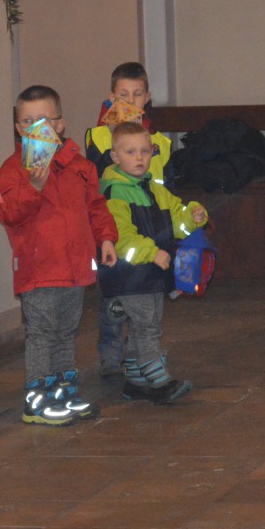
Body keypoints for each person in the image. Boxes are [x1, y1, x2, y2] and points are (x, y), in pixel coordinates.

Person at [0, 85, 118, 426]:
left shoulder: (80, 166)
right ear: (19, 128)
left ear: (60, 125)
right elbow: (9, 214)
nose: (36, 129)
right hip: (39, 268)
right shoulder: (13, 169)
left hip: (74, 266)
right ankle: (37, 399)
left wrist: (106, 238)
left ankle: (64, 391)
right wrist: (34, 187)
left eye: (44, 121)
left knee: (67, 331)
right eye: (28, 122)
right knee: (42, 333)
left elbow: (95, 207)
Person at [98, 122, 207, 404]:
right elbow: (121, 238)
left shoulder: (155, 188)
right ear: (115, 156)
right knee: (147, 326)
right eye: (131, 152)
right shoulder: (115, 192)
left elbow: (177, 218)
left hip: (153, 274)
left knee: (146, 324)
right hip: (129, 276)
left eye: (145, 151)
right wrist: (152, 252)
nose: (139, 158)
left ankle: (135, 380)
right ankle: (158, 379)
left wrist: (192, 216)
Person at [83, 62, 173, 378]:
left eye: (137, 94)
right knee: (115, 296)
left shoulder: (159, 142)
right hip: (114, 225)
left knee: (145, 298)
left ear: (146, 98)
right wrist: (114, 138)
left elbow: (164, 185)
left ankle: (140, 358)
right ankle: (111, 357)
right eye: (123, 95)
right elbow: (95, 180)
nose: (130, 101)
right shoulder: (97, 136)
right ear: (112, 97)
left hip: (149, 224)